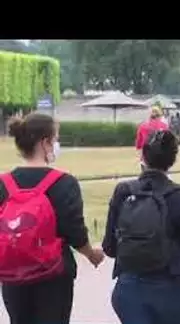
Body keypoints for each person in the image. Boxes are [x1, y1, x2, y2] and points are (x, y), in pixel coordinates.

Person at [0, 113, 104, 324]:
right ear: (45, 142)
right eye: (55, 140)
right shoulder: (64, 183)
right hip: (53, 275)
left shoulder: (3, 184)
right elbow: (75, 231)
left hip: (13, 274)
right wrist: (92, 254)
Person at [102, 130, 180, 324]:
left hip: (130, 288)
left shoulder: (124, 191)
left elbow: (109, 248)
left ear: (143, 156)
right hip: (171, 288)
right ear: (173, 160)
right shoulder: (179, 196)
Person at [136, 106, 169, 171]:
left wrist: (139, 148)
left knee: (146, 178)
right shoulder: (164, 126)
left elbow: (139, 142)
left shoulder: (143, 125)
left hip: (146, 156)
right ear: (159, 115)